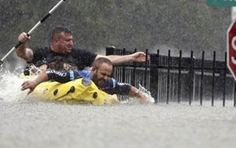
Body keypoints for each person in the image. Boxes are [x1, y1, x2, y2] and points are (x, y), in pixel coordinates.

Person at [21, 57, 153, 104]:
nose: (105, 78)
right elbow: (51, 74)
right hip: (58, 89)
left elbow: (126, 87)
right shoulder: (76, 75)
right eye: (103, 74)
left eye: (108, 75)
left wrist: (142, 96)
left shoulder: (108, 82)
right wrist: (34, 83)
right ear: (94, 70)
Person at [16, 26, 148, 72]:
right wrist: (22, 43)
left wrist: (131, 57)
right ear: (56, 41)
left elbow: (104, 60)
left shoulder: (79, 54)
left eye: (72, 40)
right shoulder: (41, 52)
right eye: (68, 41)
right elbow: (23, 54)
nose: (71, 43)